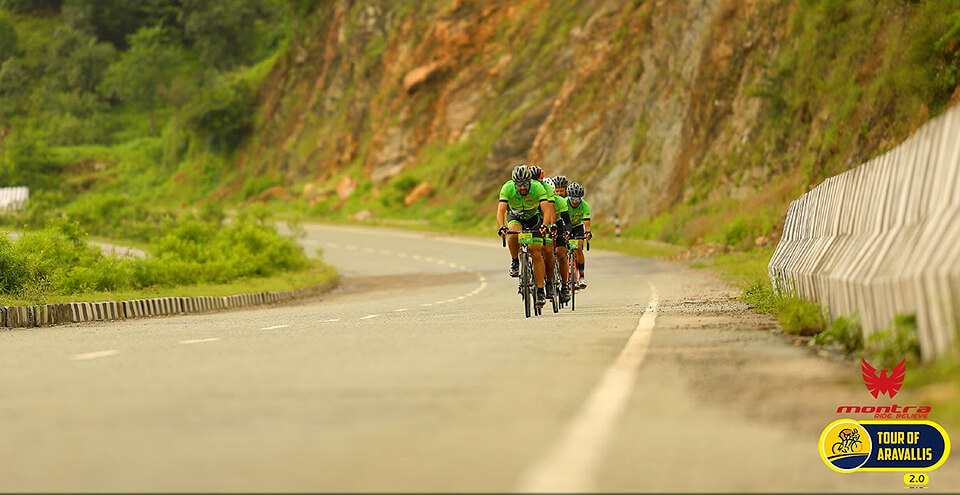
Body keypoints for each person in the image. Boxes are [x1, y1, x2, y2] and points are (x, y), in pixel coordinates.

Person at [497, 164, 554, 307]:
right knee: (514, 234)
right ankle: (515, 261)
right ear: (514, 183)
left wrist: (544, 225)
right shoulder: (507, 188)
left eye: (525, 184)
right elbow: (501, 210)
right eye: (519, 184)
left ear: (530, 181)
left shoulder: (537, 188)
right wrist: (502, 226)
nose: (522, 187)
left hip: (534, 219)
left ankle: (540, 290)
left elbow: (546, 209)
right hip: (515, 217)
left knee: (536, 252)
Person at [529, 165, 558, 300]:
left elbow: (550, 209)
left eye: (538, 180)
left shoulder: (546, 188)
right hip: (531, 217)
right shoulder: (526, 188)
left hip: (543, 219)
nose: (535, 183)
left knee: (547, 250)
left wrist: (552, 225)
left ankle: (550, 282)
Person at [566, 182, 591, 288]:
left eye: (578, 199)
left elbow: (586, 222)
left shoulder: (585, 206)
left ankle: (581, 275)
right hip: (565, 226)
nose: (575, 202)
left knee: (578, 247)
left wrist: (588, 232)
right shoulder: (563, 203)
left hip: (577, 227)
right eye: (572, 199)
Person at [551, 175, 572, 303]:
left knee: (561, 253)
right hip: (547, 225)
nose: (559, 193)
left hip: (560, 225)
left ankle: (564, 286)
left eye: (561, 191)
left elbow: (569, 221)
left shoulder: (566, 201)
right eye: (556, 191)